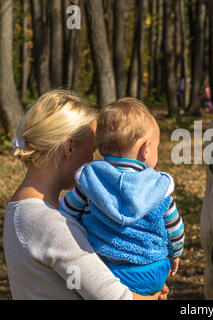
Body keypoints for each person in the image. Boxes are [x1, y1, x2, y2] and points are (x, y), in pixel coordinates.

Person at [3, 90, 168, 300]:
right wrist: (154, 296)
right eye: (92, 149)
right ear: (69, 147)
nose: (93, 159)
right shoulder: (50, 223)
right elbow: (114, 297)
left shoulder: (20, 209)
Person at [59, 98, 185, 297]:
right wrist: (175, 254)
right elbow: (175, 229)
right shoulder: (158, 187)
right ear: (146, 149)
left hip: (105, 270)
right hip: (153, 271)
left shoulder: (91, 180)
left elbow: (66, 212)